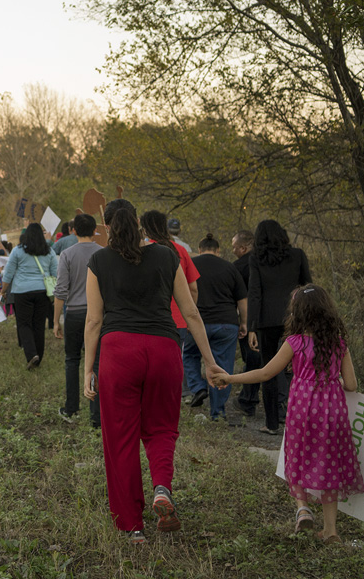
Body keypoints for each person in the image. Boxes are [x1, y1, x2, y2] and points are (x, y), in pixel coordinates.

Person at [84, 200, 224, 543]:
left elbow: (94, 320)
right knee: (162, 427)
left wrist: (88, 368)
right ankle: (162, 487)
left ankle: (133, 526)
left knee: (121, 439)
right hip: (163, 349)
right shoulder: (166, 255)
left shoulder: (99, 260)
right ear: (137, 221)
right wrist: (209, 361)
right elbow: (191, 313)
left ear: (106, 226)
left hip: (118, 353)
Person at [215, 284, 363, 543]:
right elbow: (351, 385)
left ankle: (302, 507)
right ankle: (331, 531)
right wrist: (335, 380)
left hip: (302, 411)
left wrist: (230, 377)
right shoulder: (340, 344)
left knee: (295, 457)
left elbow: (265, 373)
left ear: (298, 314)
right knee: (328, 464)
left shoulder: (294, 343)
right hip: (332, 414)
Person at [249, 219, 312, 434]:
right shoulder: (298, 255)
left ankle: (272, 424)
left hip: (266, 321)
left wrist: (252, 327)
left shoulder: (256, 259)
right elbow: (308, 287)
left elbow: (255, 293)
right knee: (300, 370)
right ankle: (299, 420)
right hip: (295, 319)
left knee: (267, 372)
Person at [139, 211, 200, 402]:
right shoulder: (179, 251)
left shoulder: (141, 250)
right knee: (175, 361)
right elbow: (193, 288)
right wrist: (189, 313)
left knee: (149, 361)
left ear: (144, 228)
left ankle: (151, 396)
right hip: (178, 318)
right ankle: (173, 396)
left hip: (148, 316)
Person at [190, 233, 248, 421]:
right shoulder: (230, 268)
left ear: (199, 249)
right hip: (226, 324)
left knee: (189, 354)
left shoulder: (191, 266)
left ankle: (198, 388)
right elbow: (242, 300)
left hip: (197, 323)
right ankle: (218, 412)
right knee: (223, 367)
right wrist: (244, 322)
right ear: (218, 250)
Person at [53, 213, 102, 426]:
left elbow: (61, 290)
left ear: (73, 231)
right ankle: (96, 415)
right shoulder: (103, 253)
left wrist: (56, 320)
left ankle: (71, 408)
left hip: (73, 313)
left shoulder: (66, 254)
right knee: (98, 363)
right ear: (94, 231)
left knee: (72, 360)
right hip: (98, 315)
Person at [2, 222, 59, 369]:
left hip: (22, 292)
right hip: (42, 292)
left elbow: (8, 273)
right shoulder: (49, 251)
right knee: (39, 325)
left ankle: (31, 354)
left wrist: (3, 290)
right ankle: (38, 358)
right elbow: (56, 273)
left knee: (24, 324)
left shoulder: (17, 251)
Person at [231, 229, 261, 416]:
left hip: (249, 318)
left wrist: (243, 322)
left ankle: (248, 400)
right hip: (271, 318)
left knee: (251, 358)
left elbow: (237, 296)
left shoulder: (238, 267)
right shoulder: (267, 263)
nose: (233, 250)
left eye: (234, 247)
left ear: (243, 248)